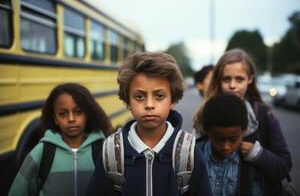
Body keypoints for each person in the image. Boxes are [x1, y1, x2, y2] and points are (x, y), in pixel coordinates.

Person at [87, 51, 212, 196]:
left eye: (159, 96)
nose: (149, 105)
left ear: (173, 100)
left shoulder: (188, 151)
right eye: (139, 96)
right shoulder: (111, 152)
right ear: (127, 101)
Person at [194, 48, 292, 196]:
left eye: (239, 79)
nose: (232, 85)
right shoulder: (206, 112)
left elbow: (284, 165)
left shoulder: (263, 114)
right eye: (226, 79)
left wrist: (257, 153)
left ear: (250, 79)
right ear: (218, 80)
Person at [9, 83, 113, 196]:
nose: (71, 119)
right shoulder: (42, 152)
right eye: (63, 114)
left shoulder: (103, 150)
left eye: (78, 112)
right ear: (55, 119)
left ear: (87, 115)